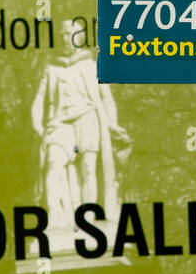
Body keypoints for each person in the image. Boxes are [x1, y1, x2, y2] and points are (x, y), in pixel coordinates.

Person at [30, 20, 128, 226]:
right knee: (52, 163)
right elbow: (39, 100)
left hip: (87, 117)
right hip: (60, 123)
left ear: (79, 37)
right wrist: (38, 126)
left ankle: (88, 218)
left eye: (69, 34)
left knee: (88, 168)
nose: (65, 38)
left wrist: (113, 123)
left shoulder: (92, 66)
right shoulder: (52, 69)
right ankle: (55, 217)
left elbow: (107, 98)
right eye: (62, 34)